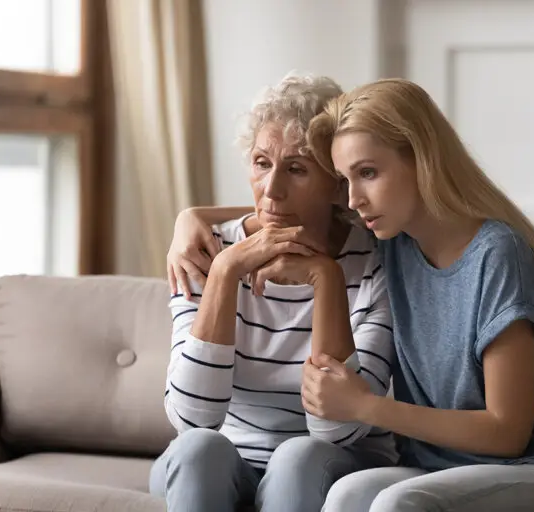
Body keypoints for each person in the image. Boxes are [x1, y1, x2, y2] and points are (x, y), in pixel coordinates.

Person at [168, 78, 534, 512]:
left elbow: (507, 433)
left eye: (368, 173)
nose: (354, 199)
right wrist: (192, 218)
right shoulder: (395, 242)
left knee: (398, 502)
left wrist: (364, 405)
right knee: (344, 496)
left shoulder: (496, 254)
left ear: (423, 162)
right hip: (437, 466)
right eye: (345, 179)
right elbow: (293, 207)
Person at [151, 74, 397, 512]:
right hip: (221, 461)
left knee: (299, 456)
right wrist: (226, 271)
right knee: (198, 450)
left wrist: (327, 279)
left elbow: (336, 430)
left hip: (333, 462)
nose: (271, 189)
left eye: (297, 169)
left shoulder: (378, 265)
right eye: (262, 163)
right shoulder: (202, 250)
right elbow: (192, 419)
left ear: (338, 184)